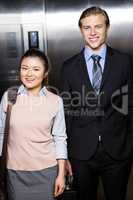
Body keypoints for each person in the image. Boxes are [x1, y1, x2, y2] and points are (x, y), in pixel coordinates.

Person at [59, 6, 133, 200]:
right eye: (87, 27)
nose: (92, 33)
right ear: (81, 30)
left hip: (118, 152)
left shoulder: (125, 62)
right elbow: (66, 112)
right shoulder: (68, 67)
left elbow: (131, 105)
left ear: (107, 28)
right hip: (81, 153)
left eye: (98, 27)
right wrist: (63, 155)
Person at [0, 48, 67, 200]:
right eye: (24, 68)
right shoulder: (9, 96)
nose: (29, 74)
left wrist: (61, 174)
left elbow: (60, 138)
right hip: (15, 172)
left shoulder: (55, 101)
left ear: (45, 73)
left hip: (47, 172)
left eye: (36, 69)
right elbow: (1, 133)